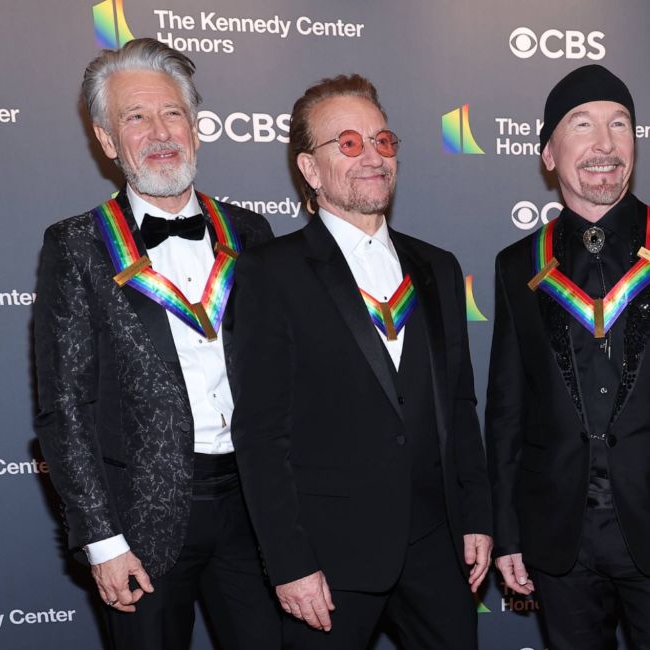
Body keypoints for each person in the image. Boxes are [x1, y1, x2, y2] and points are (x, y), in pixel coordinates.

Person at [485, 64, 650, 650]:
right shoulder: (517, 265)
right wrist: (506, 531)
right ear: (549, 154)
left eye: (620, 125)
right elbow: (507, 411)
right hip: (558, 539)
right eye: (582, 125)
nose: (605, 144)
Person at [229, 74, 493, 650]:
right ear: (309, 168)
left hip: (437, 548)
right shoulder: (270, 273)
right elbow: (259, 435)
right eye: (347, 144)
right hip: (328, 563)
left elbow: (459, 404)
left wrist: (476, 515)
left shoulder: (439, 267)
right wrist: (290, 563)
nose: (372, 156)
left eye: (383, 140)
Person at [33, 38, 280, 649]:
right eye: (135, 117)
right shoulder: (77, 246)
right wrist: (104, 543)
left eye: (172, 112)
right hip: (141, 522)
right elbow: (63, 410)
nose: (160, 131)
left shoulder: (250, 231)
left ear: (195, 126)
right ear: (108, 141)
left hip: (256, 507)